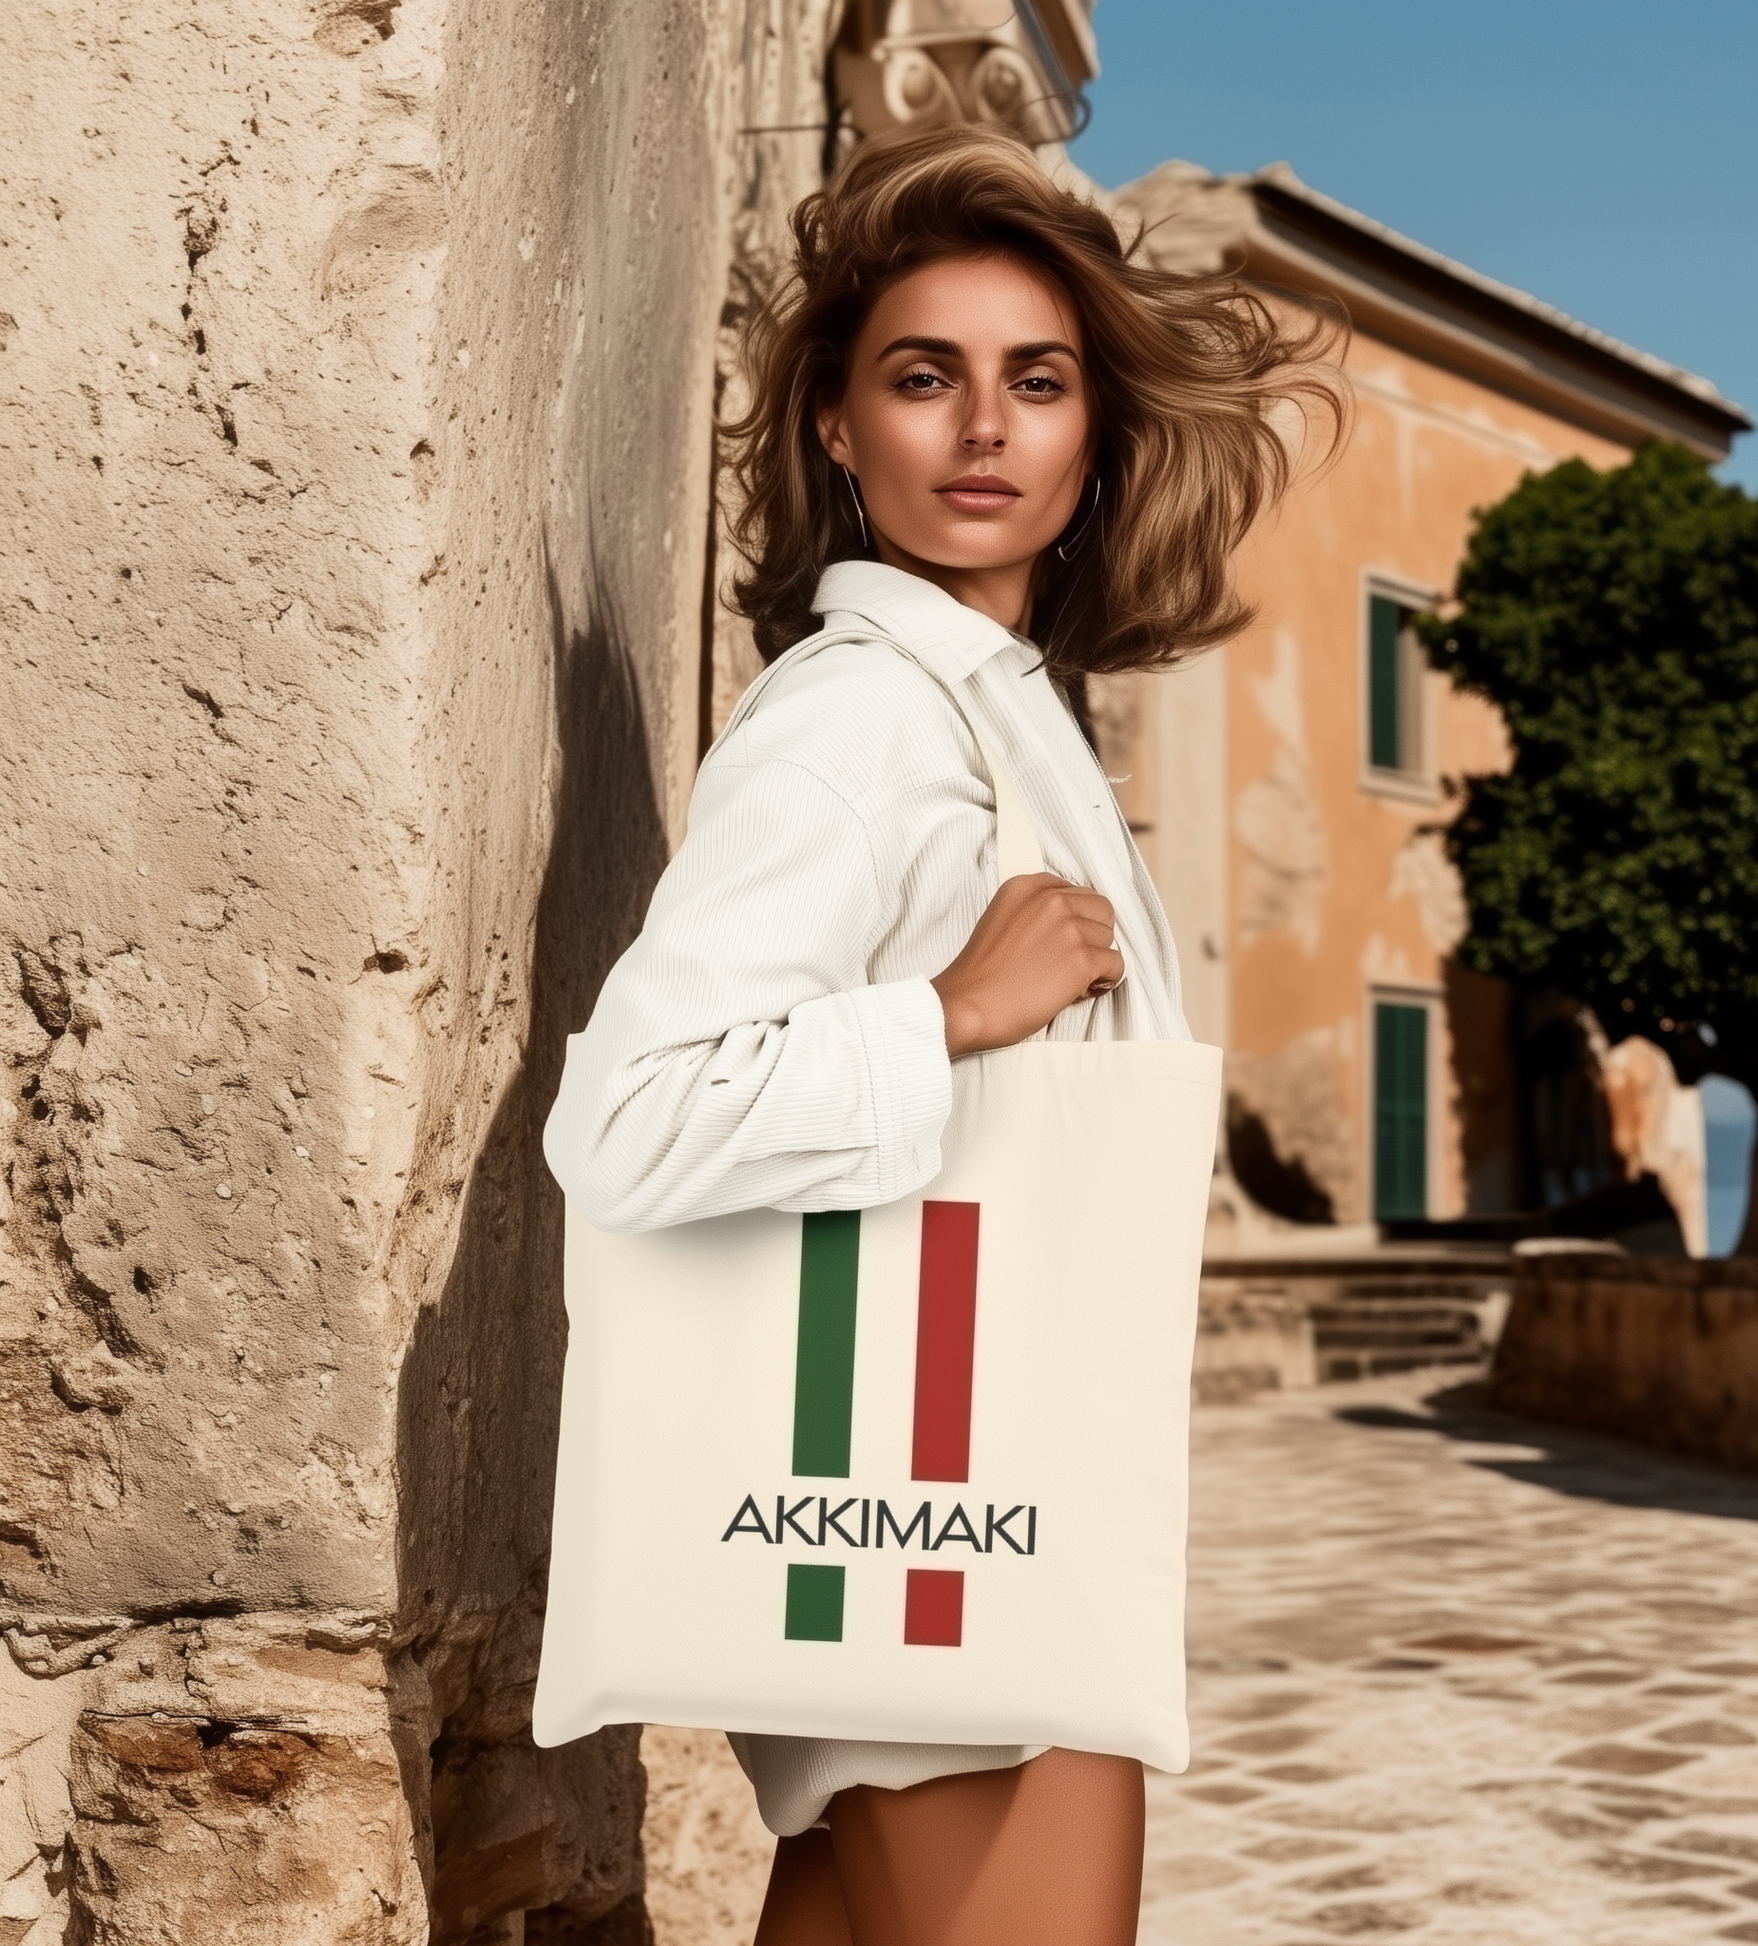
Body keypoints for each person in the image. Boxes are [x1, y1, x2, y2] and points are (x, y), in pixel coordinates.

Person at [543, 121, 1345, 1946]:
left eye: (1034, 381)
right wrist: (950, 1014)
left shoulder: (1002, 718)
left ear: (1091, 431)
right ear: (839, 425)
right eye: (925, 377)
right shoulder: (866, 722)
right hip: (931, 1529)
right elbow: (629, 1118)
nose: (983, 427)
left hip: (948, 1515)